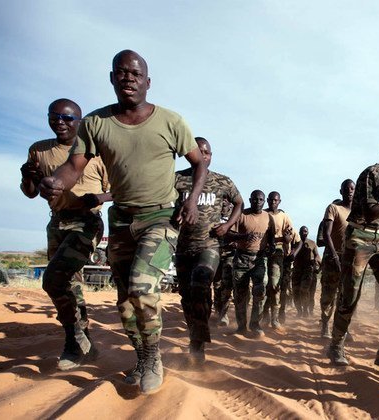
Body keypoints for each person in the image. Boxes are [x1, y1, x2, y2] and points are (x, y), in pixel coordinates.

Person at [38, 50, 207, 395]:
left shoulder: (171, 121)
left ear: (148, 82)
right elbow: (74, 168)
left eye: (135, 73)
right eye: (121, 72)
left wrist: (190, 200)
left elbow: (199, 163)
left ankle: (154, 357)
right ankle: (143, 355)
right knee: (125, 302)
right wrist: (55, 182)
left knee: (142, 288)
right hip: (121, 223)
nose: (128, 78)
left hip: (159, 216)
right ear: (112, 78)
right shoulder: (96, 124)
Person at [21, 98, 110, 371]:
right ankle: (83, 343)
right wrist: (27, 175)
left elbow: (118, 190)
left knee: (54, 278)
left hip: (87, 222)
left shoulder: (95, 152)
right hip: (57, 224)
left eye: (68, 117)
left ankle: (73, 340)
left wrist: (95, 197)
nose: (60, 121)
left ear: (79, 122)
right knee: (68, 283)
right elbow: (32, 192)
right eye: (54, 116)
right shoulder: (39, 150)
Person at [326, 157, 379, 371]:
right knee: (350, 294)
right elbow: (372, 212)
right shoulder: (373, 173)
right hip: (359, 235)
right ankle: (336, 345)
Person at [173, 137, 242, 363]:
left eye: (208, 152)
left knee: (201, 283)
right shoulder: (177, 180)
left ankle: (198, 343)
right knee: (186, 296)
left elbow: (239, 203)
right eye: (199, 151)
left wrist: (227, 225)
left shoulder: (222, 181)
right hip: (183, 247)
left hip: (209, 245)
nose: (203, 155)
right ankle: (196, 332)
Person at [229, 190, 275, 338]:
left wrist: (271, 248)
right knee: (240, 294)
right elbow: (229, 234)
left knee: (260, 291)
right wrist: (244, 236)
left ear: (264, 201)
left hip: (259, 259)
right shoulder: (241, 215)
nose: (258, 202)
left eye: (261, 200)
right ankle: (241, 326)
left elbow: (271, 237)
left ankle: (255, 324)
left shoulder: (268, 217)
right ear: (250, 200)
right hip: (241, 257)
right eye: (255, 199)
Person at [319, 179, 354, 338]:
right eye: (346, 189)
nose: (350, 191)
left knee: (347, 295)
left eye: (352, 189)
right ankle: (325, 325)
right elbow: (326, 234)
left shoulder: (358, 211)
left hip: (351, 258)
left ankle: (342, 329)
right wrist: (334, 255)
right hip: (333, 256)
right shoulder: (333, 208)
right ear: (341, 191)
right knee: (329, 293)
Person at [262, 191, 295, 329]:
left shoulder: (284, 216)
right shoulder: (262, 214)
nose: (273, 202)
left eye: (275, 200)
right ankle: (263, 315)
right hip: (262, 252)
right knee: (263, 284)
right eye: (270, 200)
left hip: (278, 252)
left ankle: (274, 318)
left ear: (279, 201)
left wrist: (285, 240)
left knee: (275, 285)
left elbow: (290, 235)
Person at [214, 198, 237, 327]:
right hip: (215, 253)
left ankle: (224, 314)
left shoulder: (235, 217)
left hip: (229, 254)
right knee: (216, 284)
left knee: (227, 285)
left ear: (230, 204)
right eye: (221, 203)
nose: (223, 205)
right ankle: (218, 308)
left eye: (225, 203)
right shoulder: (213, 214)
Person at [290, 226, 320, 317]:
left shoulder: (312, 243)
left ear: (308, 232)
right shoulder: (295, 243)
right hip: (296, 270)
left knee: (304, 290)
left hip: (308, 270)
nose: (304, 232)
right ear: (299, 232)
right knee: (295, 291)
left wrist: (318, 264)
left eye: (306, 231)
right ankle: (299, 311)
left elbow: (317, 255)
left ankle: (306, 309)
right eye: (302, 231)